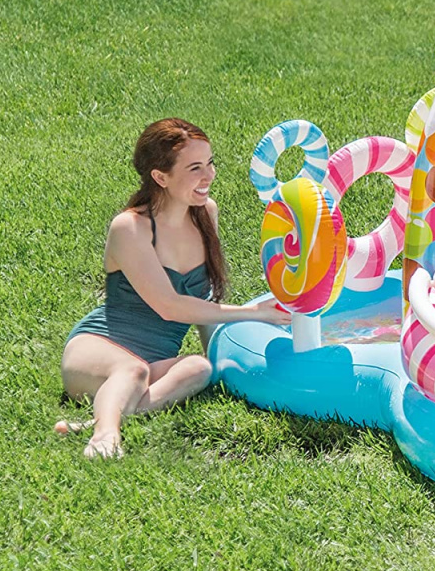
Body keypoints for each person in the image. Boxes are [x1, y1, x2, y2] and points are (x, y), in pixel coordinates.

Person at [57, 118, 292, 458]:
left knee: (201, 368)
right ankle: (105, 435)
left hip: (156, 362)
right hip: (99, 349)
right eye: (194, 168)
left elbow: (203, 301)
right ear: (160, 177)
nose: (208, 176)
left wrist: (219, 354)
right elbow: (169, 306)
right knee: (131, 370)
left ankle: (106, 416)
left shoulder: (205, 213)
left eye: (210, 163)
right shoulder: (130, 227)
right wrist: (254, 313)